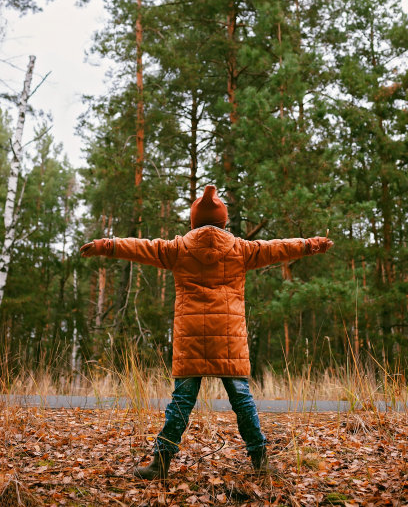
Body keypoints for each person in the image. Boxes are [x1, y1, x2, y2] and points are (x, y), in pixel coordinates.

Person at [80, 185, 333, 480]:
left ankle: (160, 464)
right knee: (242, 400)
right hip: (230, 338)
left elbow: (139, 247)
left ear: (193, 222)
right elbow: (278, 248)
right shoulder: (242, 249)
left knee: (182, 402)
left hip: (191, 338)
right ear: (223, 222)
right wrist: (309, 244)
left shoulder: (176, 249)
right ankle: (260, 461)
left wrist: (105, 245)